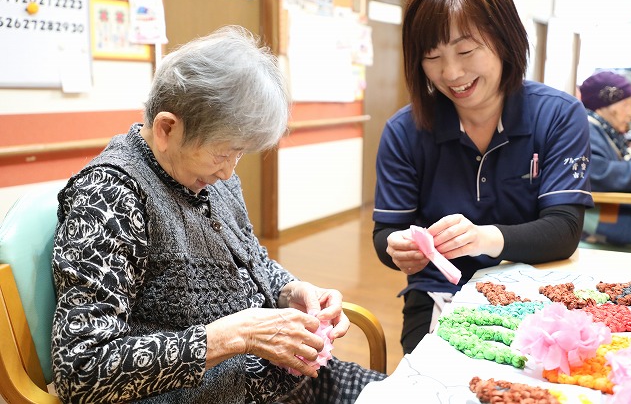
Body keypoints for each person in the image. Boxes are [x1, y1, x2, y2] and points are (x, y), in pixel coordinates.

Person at [50, 25, 385, 403]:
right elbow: (82, 369)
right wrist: (234, 336)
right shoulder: (109, 195)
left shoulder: (209, 177)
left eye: (238, 154)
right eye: (222, 153)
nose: (228, 172)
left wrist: (290, 290)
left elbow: (251, 258)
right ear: (166, 128)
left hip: (281, 380)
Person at [372, 0, 593, 355]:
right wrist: (397, 248)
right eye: (432, 55)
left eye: (466, 50)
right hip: (439, 294)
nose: (452, 73)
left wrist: (483, 238)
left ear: (504, 38)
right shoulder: (404, 131)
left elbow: (564, 229)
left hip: (537, 291)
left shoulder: (558, 115)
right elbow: (386, 233)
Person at [579, 70, 631, 246]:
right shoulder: (587, 129)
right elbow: (599, 174)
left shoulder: (605, 132)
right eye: (630, 103)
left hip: (611, 213)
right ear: (611, 104)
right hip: (598, 220)